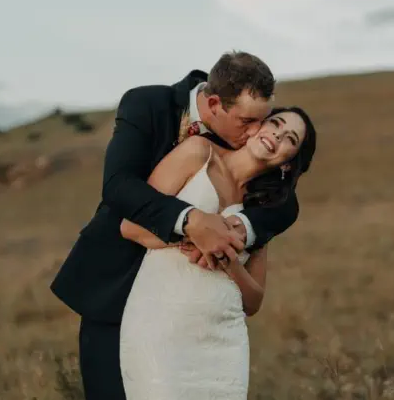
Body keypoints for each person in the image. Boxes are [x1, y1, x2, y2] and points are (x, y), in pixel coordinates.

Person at [50, 51, 301, 400]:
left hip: (190, 317)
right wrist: (191, 221)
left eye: (264, 120)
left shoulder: (253, 148)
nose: (257, 131)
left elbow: (285, 204)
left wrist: (240, 227)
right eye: (247, 121)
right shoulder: (148, 104)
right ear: (214, 104)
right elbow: (119, 186)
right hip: (118, 285)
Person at [119, 106, 316, 399]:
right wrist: (197, 236)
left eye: (290, 138)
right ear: (257, 126)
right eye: (276, 123)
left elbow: (253, 302)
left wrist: (229, 260)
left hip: (224, 345)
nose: (278, 135)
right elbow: (130, 227)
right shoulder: (198, 153)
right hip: (161, 329)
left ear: (288, 163)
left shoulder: (263, 210)